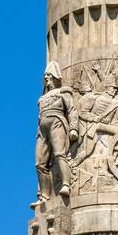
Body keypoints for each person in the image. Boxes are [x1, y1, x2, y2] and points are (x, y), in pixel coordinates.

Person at [34, 61, 79, 207]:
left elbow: (71, 109)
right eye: (45, 76)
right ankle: (44, 196)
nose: (47, 78)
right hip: (42, 130)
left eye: (49, 75)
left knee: (60, 154)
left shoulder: (63, 92)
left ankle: (66, 184)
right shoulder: (41, 99)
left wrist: (73, 128)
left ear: (55, 76)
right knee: (39, 163)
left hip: (57, 122)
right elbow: (39, 118)